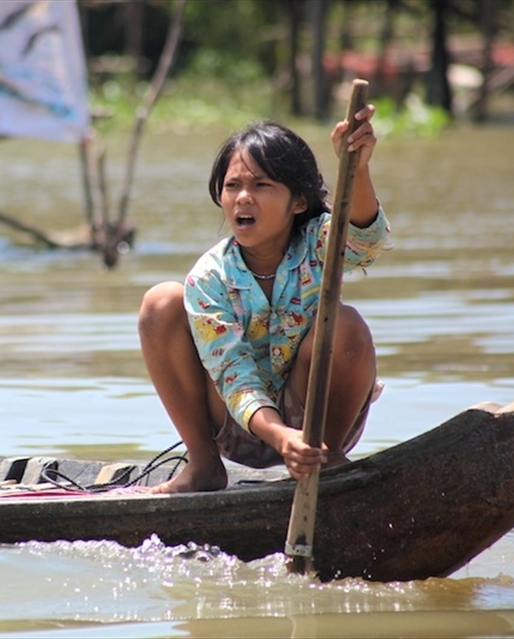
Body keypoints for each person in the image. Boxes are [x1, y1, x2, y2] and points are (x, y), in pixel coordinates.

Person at [137, 106, 390, 493]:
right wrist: (280, 437)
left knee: (346, 324)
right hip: (237, 423)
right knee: (160, 303)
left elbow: (365, 243)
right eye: (233, 186)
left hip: (315, 424)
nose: (243, 198)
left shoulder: (318, 243)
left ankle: (328, 457)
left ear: (298, 202)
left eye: (260, 186)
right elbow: (233, 374)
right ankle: (203, 465)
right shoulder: (209, 278)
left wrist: (356, 167)